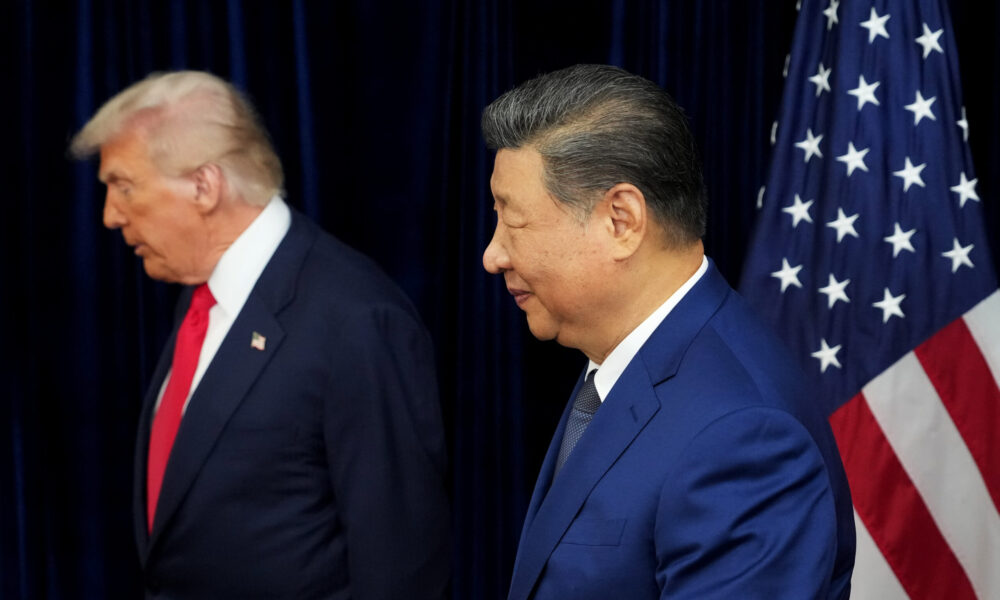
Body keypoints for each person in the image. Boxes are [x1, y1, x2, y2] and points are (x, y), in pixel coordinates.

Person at [70, 71, 449, 599]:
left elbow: (400, 565)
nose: (111, 216)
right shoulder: (203, 295)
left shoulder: (357, 320)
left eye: (125, 187)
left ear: (204, 186)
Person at [481, 64, 855, 599]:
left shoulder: (745, 437)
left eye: (514, 221)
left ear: (622, 220)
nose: (493, 255)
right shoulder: (626, 357)